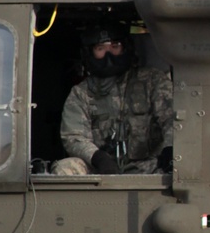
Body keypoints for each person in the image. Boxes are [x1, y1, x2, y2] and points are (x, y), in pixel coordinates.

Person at [51, 20, 173, 176]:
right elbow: (74, 136)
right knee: (65, 168)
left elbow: (171, 119)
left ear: (125, 48)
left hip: (146, 166)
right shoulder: (81, 93)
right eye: (100, 48)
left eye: (115, 47)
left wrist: (170, 149)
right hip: (100, 168)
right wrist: (98, 158)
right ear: (90, 52)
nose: (108, 54)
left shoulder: (152, 80)